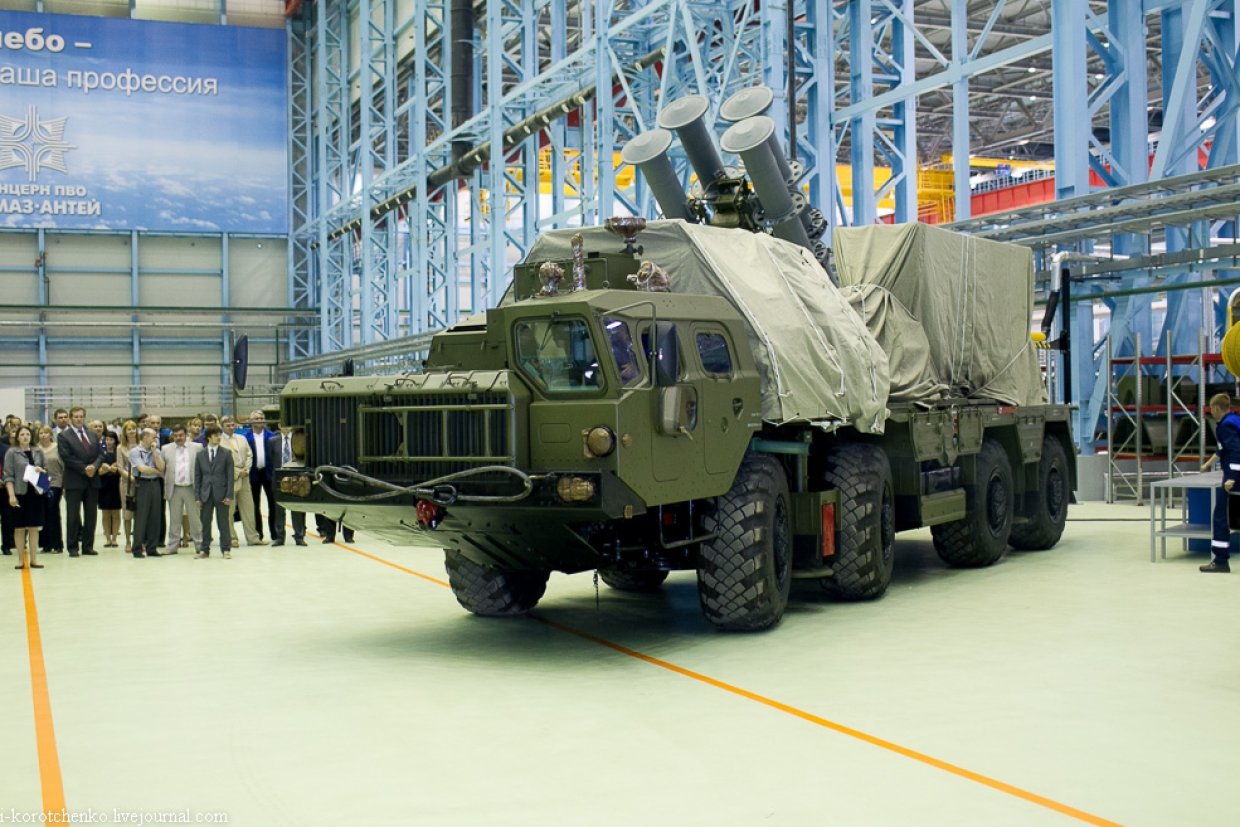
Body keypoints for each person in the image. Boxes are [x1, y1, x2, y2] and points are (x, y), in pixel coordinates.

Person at [1200, 392, 1240, 573]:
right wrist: (1208, 464)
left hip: (1233, 477)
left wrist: (1232, 477)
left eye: (1211, 408)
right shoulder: (1233, 420)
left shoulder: (1226, 426)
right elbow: (1222, 449)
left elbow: (1236, 451)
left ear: (1216, 408)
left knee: (1221, 515)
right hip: (1233, 474)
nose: (1211, 412)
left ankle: (1221, 560)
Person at [58, 406, 103, 557]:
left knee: (91, 515)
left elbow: (101, 454)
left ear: (84, 417)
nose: (79, 419)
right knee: (73, 515)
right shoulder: (64, 436)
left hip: (92, 480)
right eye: (76, 416)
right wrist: (84, 468)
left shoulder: (92, 435)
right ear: (71, 418)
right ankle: (72, 547)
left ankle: (88, 546)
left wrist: (94, 466)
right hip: (74, 480)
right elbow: (66, 456)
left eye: (81, 416)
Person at [5, 425, 46, 571]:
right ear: (17, 437)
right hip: (19, 493)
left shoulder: (38, 451)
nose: (25, 437)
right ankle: (20, 559)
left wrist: (41, 471)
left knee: (34, 527)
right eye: (22, 434)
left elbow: (45, 470)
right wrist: (11, 495)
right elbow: (8, 475)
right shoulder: (12, 452)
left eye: (27, 434)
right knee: (19, 528)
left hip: (35, 493)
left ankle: (34, 559)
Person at [220, 415, 265, 547]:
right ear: (222, 427)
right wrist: (237, 472)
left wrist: (247, 469)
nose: (231, 427)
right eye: (228, 425)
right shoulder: (220, 441)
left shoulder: (242, 438)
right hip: (229, 479)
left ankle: (253, 538)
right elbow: (221, 462)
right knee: (229, 511)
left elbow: (250, 455)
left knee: (249, 509)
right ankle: (231, 538)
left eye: (232, 425)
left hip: (245, 477)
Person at [160, 424, 202, 554]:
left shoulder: (197, 447)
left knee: (195, 519)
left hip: (191, 487)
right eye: (176, 436)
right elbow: (161, 469)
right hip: (174, 488)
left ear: (186, 435)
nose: (178, 438)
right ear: (173, 436)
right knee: (174, 519)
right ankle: (173, 546)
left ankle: (200, 545)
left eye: (181, 435)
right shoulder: (165, 449)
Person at [194, 425, 234, 559]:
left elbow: (230, 476)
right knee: (205, 523)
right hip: (205, 494)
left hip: (221, 493)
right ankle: (204, 550)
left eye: (219, 435)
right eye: (216, 435)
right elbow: (197, 477)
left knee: (223, 522)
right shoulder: (200, 455)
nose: (219, 437)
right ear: (208, 437)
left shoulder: (226, 453)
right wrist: (197, 497)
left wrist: (229, 495)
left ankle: (226, 549)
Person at [129, 428, 165, 558]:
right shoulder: (135, 451)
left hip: (155, 484)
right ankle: (137, 548)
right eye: (153, 437)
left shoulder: (157, 451)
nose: (155, 440)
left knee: (155, 516)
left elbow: (162, 467)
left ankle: (152, 548)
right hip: (142, 484)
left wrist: (154, 452)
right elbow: (142, 468)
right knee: (141, 517)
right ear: (145, 437)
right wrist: (156, 471)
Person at [267, 424, 305, 546]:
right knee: (279, 509)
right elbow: (270, 460)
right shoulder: (272, 441)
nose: (286, 428)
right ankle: (280, 537)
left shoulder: (298, 439)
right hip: (279, 478)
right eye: (283, 425)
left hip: (295, 477)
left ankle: (299, 536)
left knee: (296, 508)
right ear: (279, 425)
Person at [247, 410, 275, 541]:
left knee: (273, 503)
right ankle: (258, 533)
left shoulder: (271, 436)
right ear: (251, 421)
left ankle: (275, 533)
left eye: (261, 418)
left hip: (268, 473)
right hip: (253, 473)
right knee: (254, 504)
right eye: (256, 418)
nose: (259, 420)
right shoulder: (246, 437)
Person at [37, 426, 63, 555]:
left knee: (52, 511)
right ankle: (45, 544)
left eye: (46, 433)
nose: (43, 435)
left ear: (51, 435)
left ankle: (56, 544)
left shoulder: (57, 448)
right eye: (41, 433)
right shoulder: (36, 449)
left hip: (55, 482)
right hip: (41, 483)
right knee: (42, 513)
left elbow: (63, 466)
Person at [116, 420, 140, 554]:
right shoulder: (120, 448)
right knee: (127, 513)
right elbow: (120, 467)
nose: (131, 431)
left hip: (141, 483)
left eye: (133, 429)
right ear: (124, 432)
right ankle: (128, 541)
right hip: (127, 483)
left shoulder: (141, 445)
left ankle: (138, 540)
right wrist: (132, 478)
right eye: (129, 429)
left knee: (139, 513)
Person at [97, 431, 123, 547]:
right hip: (104, 486)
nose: (109, 442)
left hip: (117, 485)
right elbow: (98, 471)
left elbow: (121, 468)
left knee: (116, 512)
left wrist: (114, 467)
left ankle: (115, 538)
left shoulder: (119, 452)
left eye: (111, 439)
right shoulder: (100, 453)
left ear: (115, 441)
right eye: (107, 439)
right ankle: (107, 538)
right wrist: (108, 469)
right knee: (105, 513)